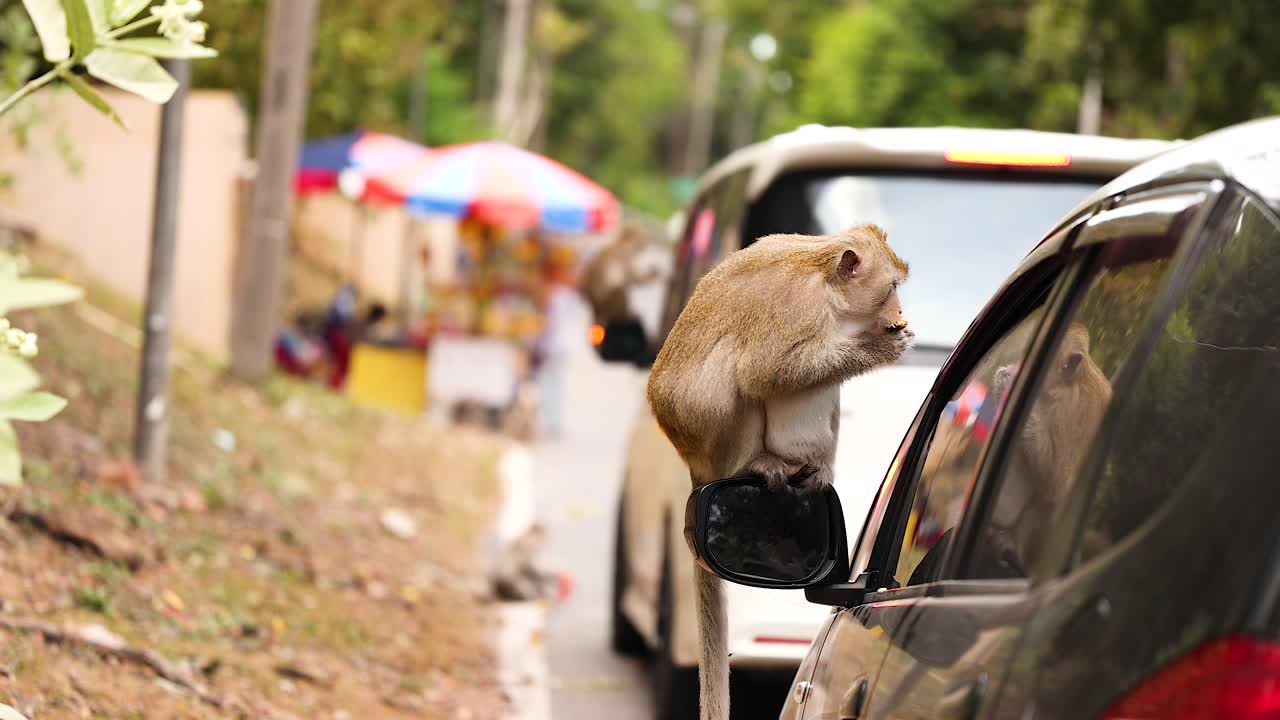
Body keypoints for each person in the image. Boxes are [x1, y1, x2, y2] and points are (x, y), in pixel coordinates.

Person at [534, 249, 580, 438]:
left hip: (555, 344)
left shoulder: (557, 295)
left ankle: (550, 421)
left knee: (550, 382)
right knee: (554, 382)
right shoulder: (568, 295)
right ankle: (552, 421)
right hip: (563, 344)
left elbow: (549, 324)